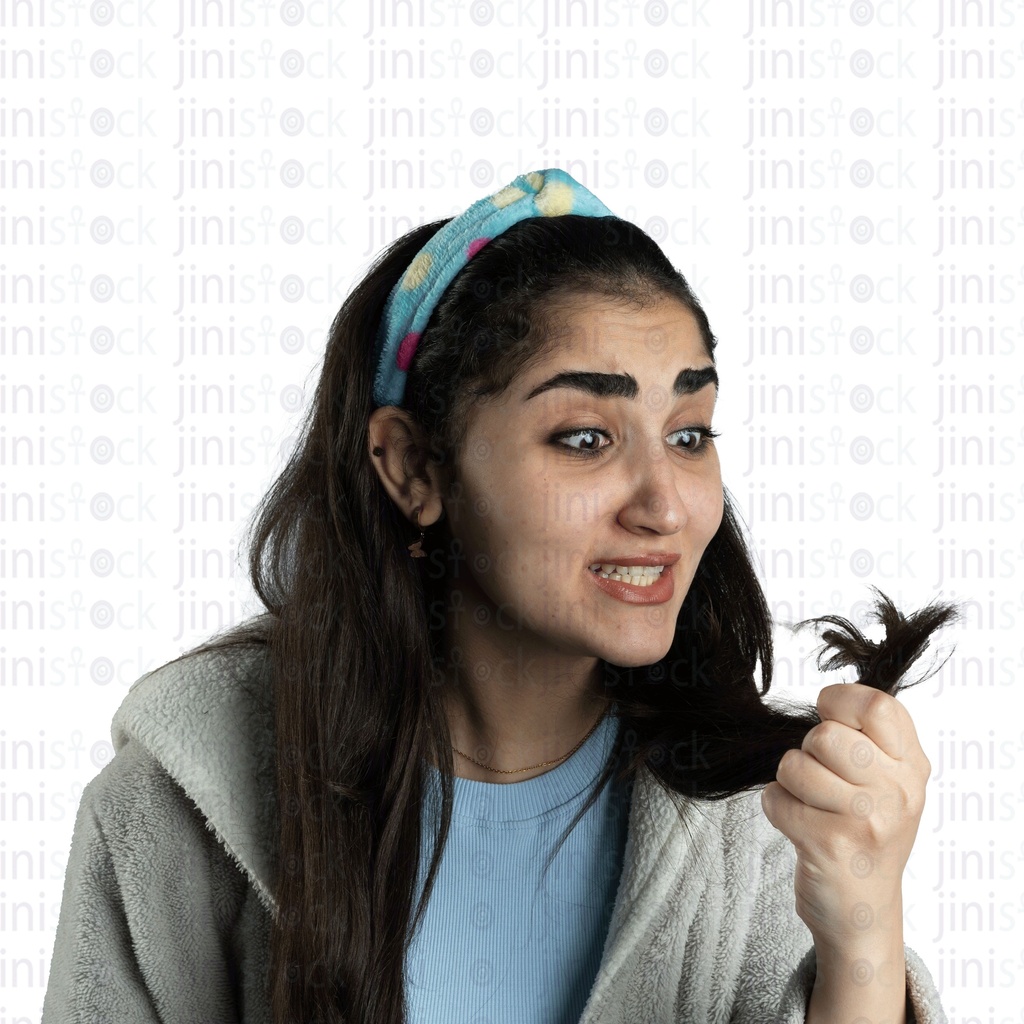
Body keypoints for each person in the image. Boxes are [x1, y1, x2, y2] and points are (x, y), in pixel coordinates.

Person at [42, 169, 954, 1024]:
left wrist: (863, 931)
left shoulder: (758, 816)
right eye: (587, 438)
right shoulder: (183, 804)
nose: (667, 505)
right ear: (412, 465)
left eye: (688, 433)